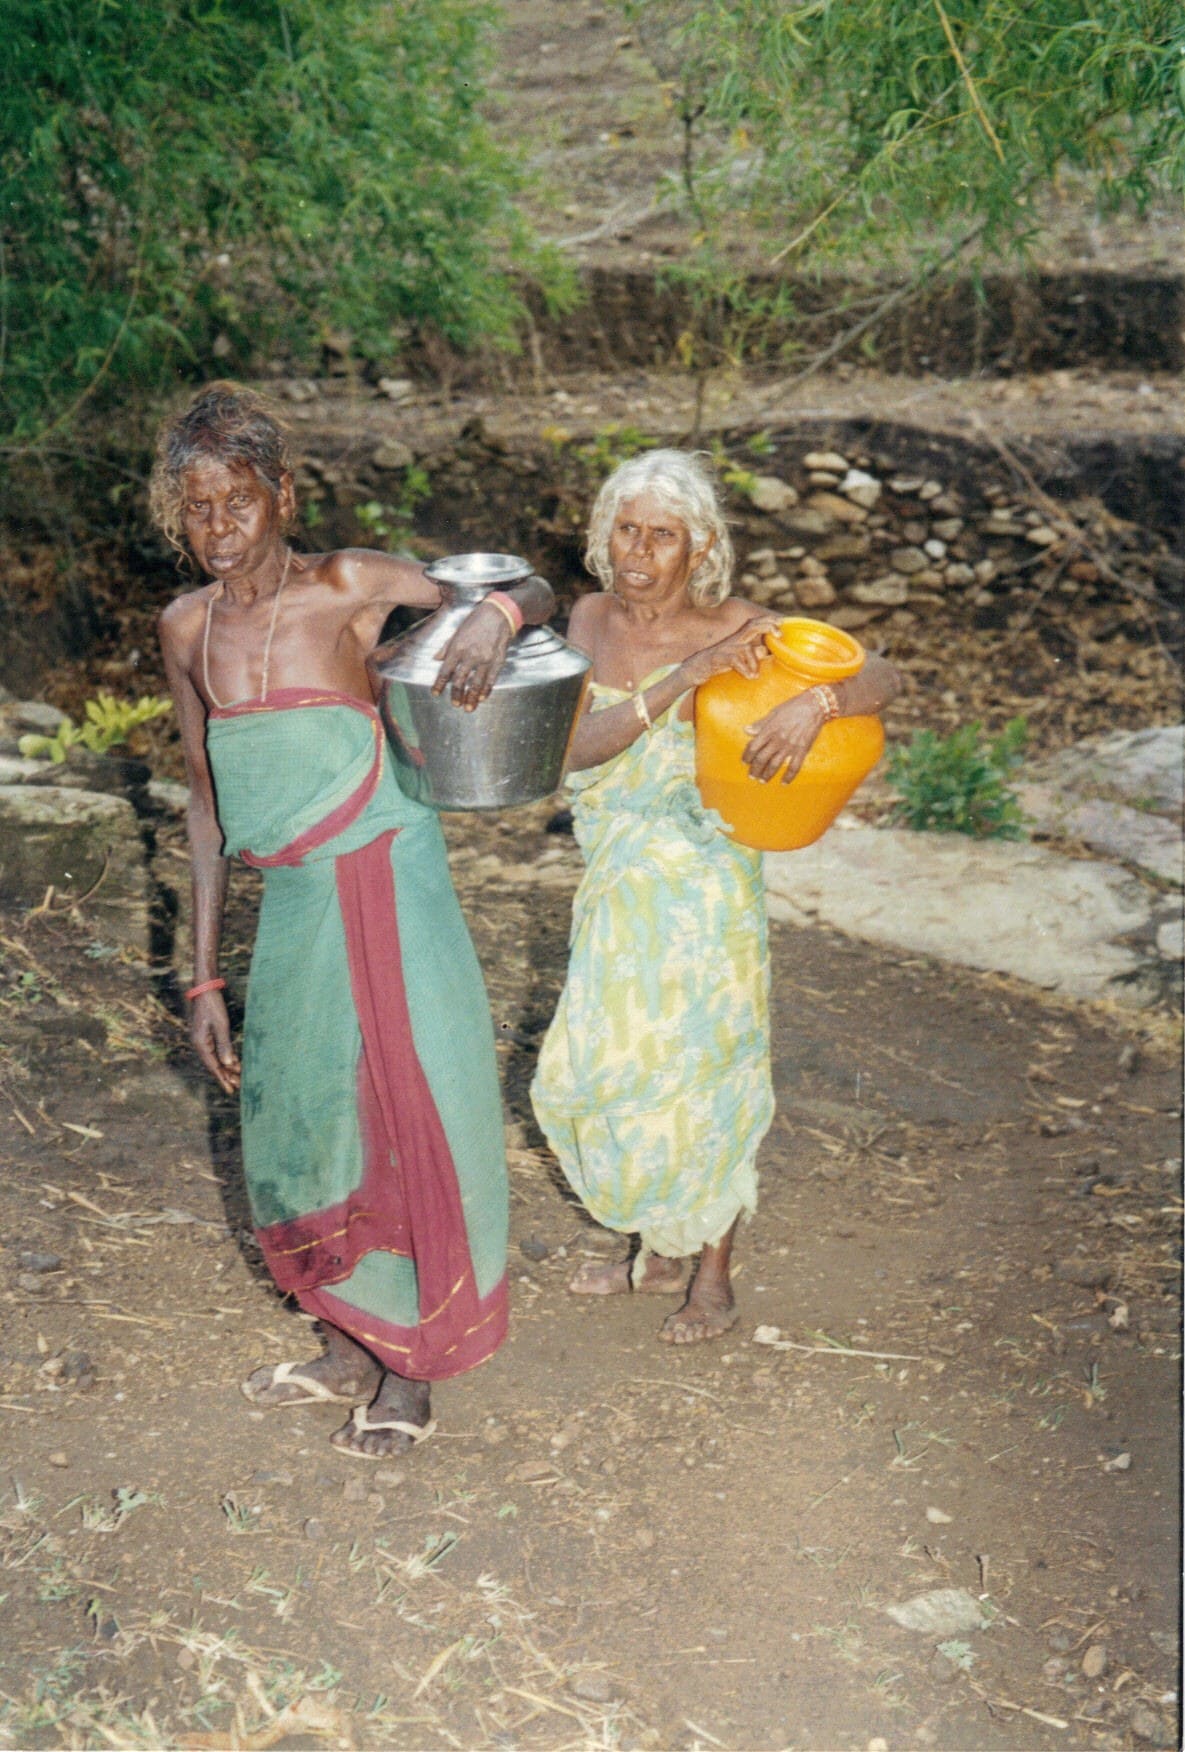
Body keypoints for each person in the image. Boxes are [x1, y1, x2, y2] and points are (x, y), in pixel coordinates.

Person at [154, 381, 554, 1457]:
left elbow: (525, 582)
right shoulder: (186, 630)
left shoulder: (350, 588)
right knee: (300, 1114)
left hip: (387, 883)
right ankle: (345, 1337)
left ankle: (411, 1372)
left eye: (238, 500)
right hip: (294, 907)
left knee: (407, 1106)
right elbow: (204, 803)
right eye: (197, 510)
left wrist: (495, 619)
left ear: (283, 494)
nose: (220, 529)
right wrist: (200, 979)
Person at [531, 449, 899, 1344]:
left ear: (700, 548)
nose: (639, 550)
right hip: (619, 877)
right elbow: (573, 750)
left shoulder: (742, 625)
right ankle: (656, 1246)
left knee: (702, 1072)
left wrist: (817, 706)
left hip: (707, 887)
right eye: (627, 528)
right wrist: (686, 678)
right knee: (595, 1071)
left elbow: (884, 673)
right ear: (602, 532)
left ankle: (713, 1277)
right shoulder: (588, 618)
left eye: (662, 535)